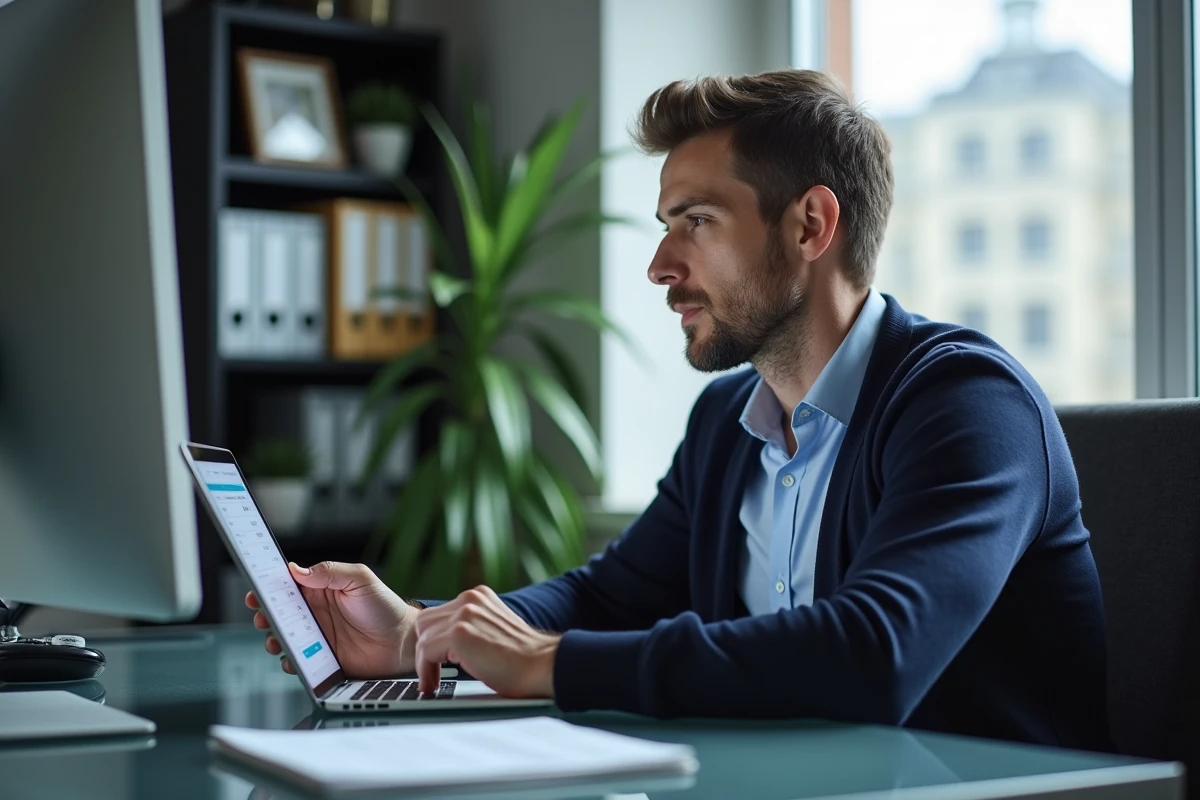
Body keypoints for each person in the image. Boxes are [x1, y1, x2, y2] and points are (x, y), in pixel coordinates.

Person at [248, 69, 1110, 749]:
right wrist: (420, 638)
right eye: (665, 223)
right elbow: (610, 596)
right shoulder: (729, 423)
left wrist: (546, 664)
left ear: (811, 226)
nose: (660, 264)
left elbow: (874, 654)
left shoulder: (966, 404)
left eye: (695, 220)